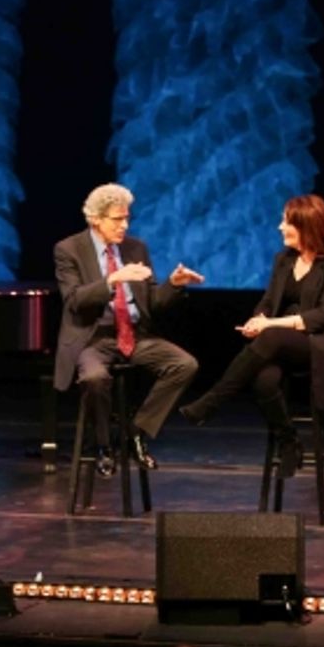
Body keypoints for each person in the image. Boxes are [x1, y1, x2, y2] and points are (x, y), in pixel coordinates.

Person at [179, 194, 324, 476]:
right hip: (283, 343)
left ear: (308, 226)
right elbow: (268, 300)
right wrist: (259, 319)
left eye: (286, 222)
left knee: (272, 336)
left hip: (320, 345)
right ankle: (289, 442)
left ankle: (212, 402)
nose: (279, 227)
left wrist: (271, 326)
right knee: (264, 381)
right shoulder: (284, 259)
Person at [54, 183, 203, 477]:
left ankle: (136, 433)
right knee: (95, 378)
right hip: (93, 337)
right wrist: (112, 280)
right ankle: (103, 446)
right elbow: (74, 301)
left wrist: (173, 285)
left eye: (127, 218)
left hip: (135, 334)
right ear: (96, 219)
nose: (124, 225)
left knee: (184, 365)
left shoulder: (136, 248)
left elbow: (152, 304)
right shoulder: (69, 249)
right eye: (116, 219)